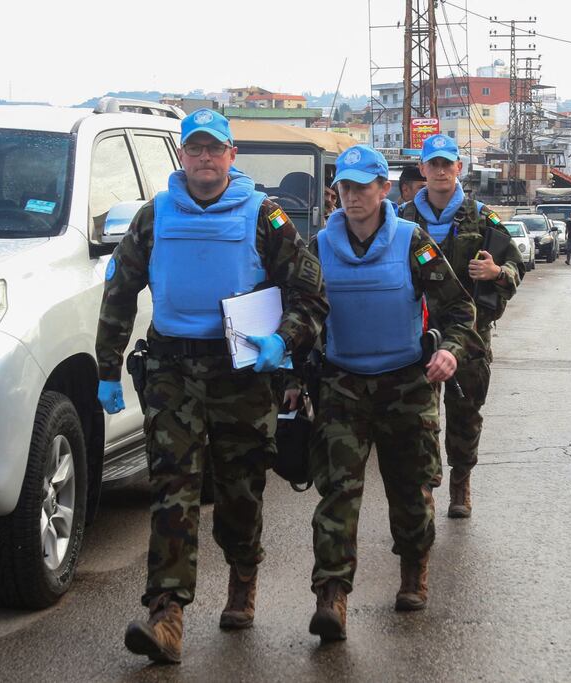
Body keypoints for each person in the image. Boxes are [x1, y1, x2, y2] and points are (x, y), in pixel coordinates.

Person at [95, 108, 328, 665]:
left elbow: (310, 296)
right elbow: (120, 292)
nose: (204, 159)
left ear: (231, 156)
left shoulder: (264, 217)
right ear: (182, 156)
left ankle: (243, 574)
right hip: (172, 372)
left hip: (241, 375)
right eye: (194, 149)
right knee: (173, 489)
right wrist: (107, 369)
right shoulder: (154, 217)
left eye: (213, 149)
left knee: (239, 491)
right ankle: (167, 614)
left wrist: (285, 342)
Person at [307, 145, 479, 642]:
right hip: (341, 384)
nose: (353, 196)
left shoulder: (412, 241)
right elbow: (300, 311)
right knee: (337, 493)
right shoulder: (318, 246)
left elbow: (459, 311)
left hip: (406, 382)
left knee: (409, 490)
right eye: (345, 187)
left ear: (385, 189)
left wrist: (449, 351)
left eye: (364, 186)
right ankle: (331, 597)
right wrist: (293, 377)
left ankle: (412, 574)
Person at [399, 134, 524, 518]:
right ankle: (427, 486)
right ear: (422, 169)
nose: (439, 171)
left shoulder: (482, 216)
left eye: (446, 164)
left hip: (468, 335)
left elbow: (516, 266)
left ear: (459, 169)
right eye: (432, 164)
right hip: (415, 335)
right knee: (419, 420)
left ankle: (461, 481)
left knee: (465, 414)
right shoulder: (401, 218)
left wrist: (496, 271)